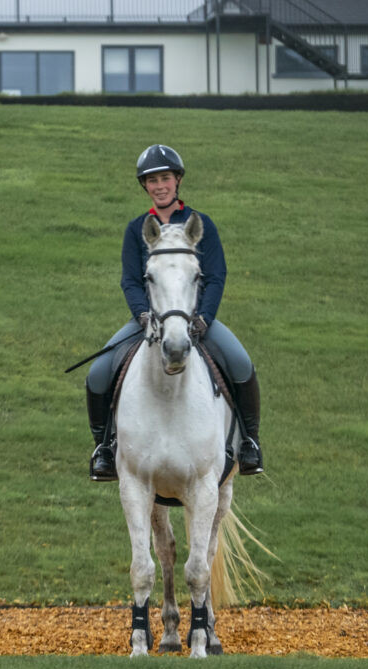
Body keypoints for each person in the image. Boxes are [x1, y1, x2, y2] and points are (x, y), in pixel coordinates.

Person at [85, 144, 263, 481]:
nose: (159, 186)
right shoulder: (137, 229)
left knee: (240, 363)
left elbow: (216, 275)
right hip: (151, 321)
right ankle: (104, 448)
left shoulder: (200, 224)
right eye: (152, 181)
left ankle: (249, 443)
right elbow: (130, 280)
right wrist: (140, 316)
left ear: (177, 180)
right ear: (145, 187)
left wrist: (204, 319)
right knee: (98, 372)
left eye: (165, 178)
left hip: (196, 320)